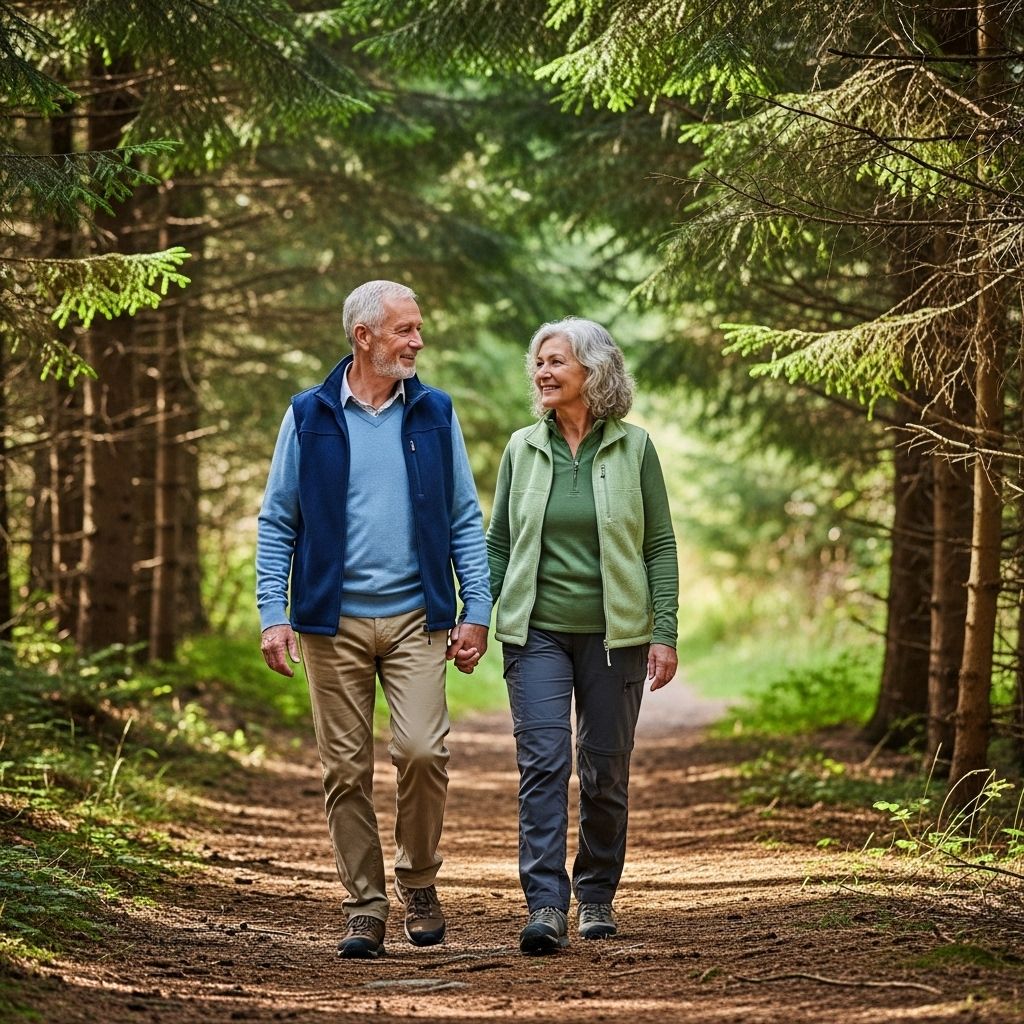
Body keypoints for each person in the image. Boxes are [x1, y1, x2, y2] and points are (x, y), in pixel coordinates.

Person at [256, 279, 491, 960]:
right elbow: (278, 522)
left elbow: (463, 520)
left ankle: (417, 878)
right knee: (345, 770)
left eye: (418, 329)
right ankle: (364, 906)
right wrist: (275, 614)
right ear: (364, 337)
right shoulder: (308, 415)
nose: (418, 342)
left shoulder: (435, 413)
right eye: (405, 330)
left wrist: (476, 610)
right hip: (332, 624)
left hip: (419, 619)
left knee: (423, 751)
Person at [486, 316, 679, 955]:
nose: (542, 372)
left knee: (605, 770)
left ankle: (595, 895)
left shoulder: (637, 448)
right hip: (535, 632)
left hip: (615, 637)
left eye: (555, 362)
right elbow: (499, 543)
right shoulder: (522, 447)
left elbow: (658, 545)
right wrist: (476, 618)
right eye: (538, 362)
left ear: (592, 372)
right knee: (543, 765)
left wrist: (664, 630)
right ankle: (545, 903)